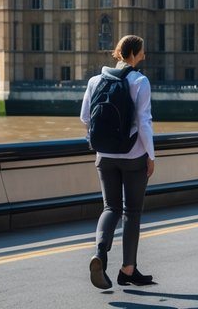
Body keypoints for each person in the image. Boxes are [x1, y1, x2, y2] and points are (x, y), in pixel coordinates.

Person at [80, 35, 155, 289]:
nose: (144, 55)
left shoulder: (95, 80)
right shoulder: (140, 81)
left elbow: (85, 118)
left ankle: (100, 254)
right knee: (132, 213)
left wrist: (101, 145)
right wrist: (151, 156)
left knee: (110, 208)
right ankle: (128, 270)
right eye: (142, 51)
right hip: (133, 156)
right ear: (133, 54)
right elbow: (144, 123)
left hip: (104, 156)